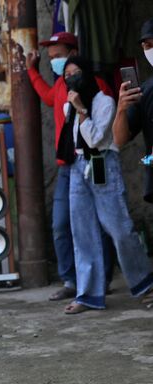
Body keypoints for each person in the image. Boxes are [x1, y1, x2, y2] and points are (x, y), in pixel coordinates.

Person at [57, 58, 153, 314]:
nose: (72, 78)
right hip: (78, 167)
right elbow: (73, 140)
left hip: (103, 164)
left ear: (87, 75)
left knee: (119, 228)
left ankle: (145, 284)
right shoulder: (70, 103)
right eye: (67, 75)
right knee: (82, 232)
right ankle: (88, 294)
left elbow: (97, 139)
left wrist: (80, 110)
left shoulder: (104, 102)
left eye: (77, 73)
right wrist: (75, 108)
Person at [26, 32, 115, 301]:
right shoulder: (62, 84)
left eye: (59, 56)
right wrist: (32, 70)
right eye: (51, 58)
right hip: (66, 165)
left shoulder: (96, 86)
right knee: (61, 225)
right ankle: (70, 280)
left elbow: (103, 128)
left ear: (74, 53)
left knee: (101, 225)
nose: (55, 62)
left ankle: (103, 279)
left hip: (93, 162)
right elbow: (49, 98)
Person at [113, 18, 153, 205]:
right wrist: (121, 108)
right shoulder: (145, 91)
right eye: (147, 46)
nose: (150, 50)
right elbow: (120, 139)